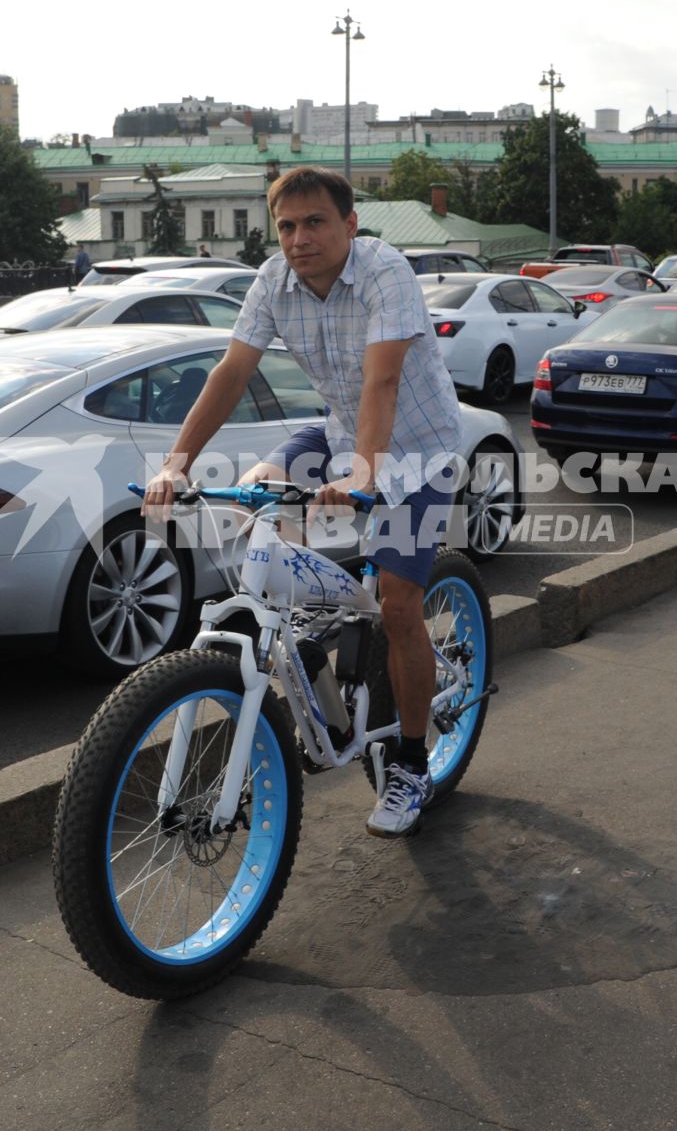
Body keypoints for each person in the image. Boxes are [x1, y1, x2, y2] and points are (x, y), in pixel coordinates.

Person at [142, 166, 465, 839]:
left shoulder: (385, 271)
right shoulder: (273, 281)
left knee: (400, 604)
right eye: (286, 225)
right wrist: (176, 466)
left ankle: (410, 764)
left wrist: (363, 478)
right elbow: (232, 372)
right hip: (340, 432)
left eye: (315, 222)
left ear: (349, 223)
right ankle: (314, 633)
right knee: (251, 509)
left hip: (419, 451)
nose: (298, 239)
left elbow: (382, 380)